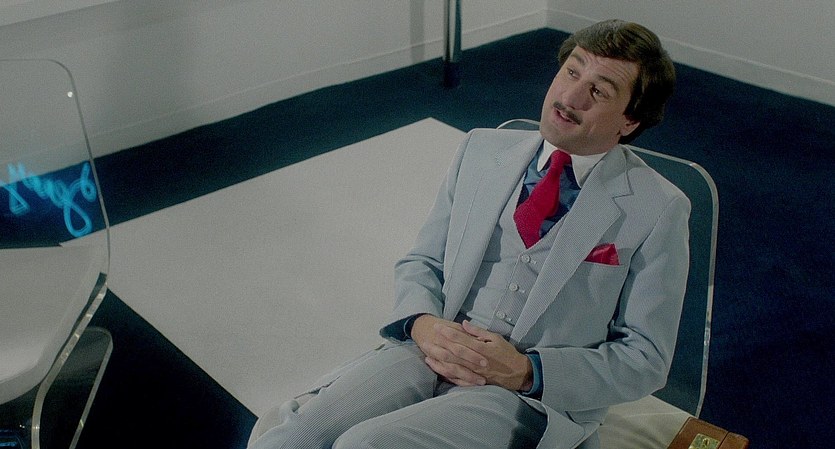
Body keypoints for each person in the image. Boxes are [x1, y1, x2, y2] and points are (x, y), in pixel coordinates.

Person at [249, 19, 687, 449]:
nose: (570, 98)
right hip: (432, 348)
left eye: (598, 91)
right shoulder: (480, 149)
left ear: (630, 121)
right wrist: (422, 324)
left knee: (367, 444)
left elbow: (646, 358)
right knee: (293, 437)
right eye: (571, 72)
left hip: (526, 397)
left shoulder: (659, 207)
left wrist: (525, 371)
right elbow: (423, 261)